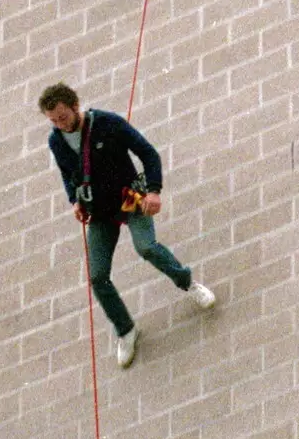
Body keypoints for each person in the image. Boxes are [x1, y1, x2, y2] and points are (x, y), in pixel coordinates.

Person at [40, 82, 215, 367]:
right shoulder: (56, 141)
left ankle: (188, 282)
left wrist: (154, 191)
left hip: (130, 198)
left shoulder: (108, 124)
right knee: (97, 277)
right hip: (98, 212)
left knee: (146, 247)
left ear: (75, 106)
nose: (61, 125)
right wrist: (74, 200)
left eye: (64, 117)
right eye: (54, 121)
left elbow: (148, 153)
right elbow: (67, 174)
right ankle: (126, 329)